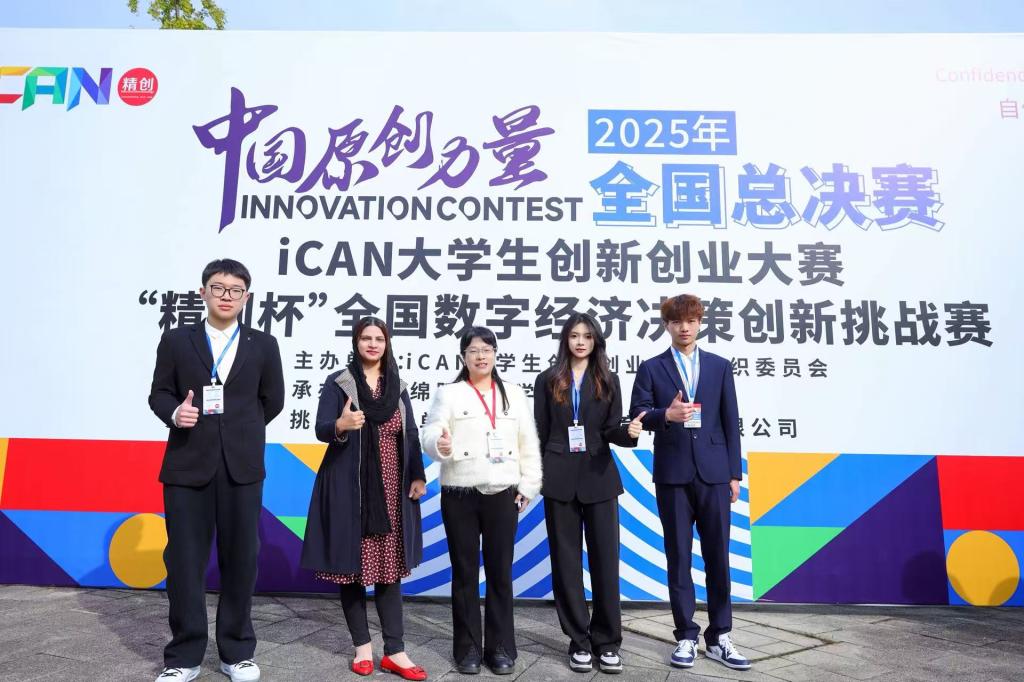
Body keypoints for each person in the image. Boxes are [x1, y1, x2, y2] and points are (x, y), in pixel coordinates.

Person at [148, 259, 285, 682]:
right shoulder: (177, 340)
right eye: (218, 287)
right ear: (203, 292)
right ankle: (183, 657)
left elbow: (273, 400)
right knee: (184, 561)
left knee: (241, 559)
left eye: (235, 290)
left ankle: (237, 652)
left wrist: (238, 430)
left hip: (242, 467)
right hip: (187, 464)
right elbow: (159, 393)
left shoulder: (264, 344)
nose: (227, 296)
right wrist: (176, 414)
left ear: (247, 297)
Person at [300, 317, 427, 681]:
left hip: (392, 489)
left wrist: (418, 475)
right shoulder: (340, 382)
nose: (372, 344)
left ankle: (395, 651)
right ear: (356, 342)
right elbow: (322, 428)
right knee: (352, 570)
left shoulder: (397, 386)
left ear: (387, 344)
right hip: (348, 487)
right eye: (366, 338)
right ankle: (362, 648)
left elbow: (410, 433)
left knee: (390, 570)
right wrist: (340, 426)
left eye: (379, 339)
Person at [629, 294, 750, 671]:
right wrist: (665, 414)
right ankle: (685, 635)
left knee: (718, 557)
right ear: (666, 325)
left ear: (700, 323)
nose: (685, 327)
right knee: (678, 557)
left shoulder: (719, 366)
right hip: (673, 475)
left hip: (714, 474)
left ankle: (720, 636)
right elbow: (638, 414)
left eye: (691, 321)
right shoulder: (651, 368)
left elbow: (730, 420)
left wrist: (734, 473)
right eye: (677, 321)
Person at [421, 327, 542, 676]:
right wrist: (438, 445)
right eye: (473, 350)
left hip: (502, 493)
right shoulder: (449, 393)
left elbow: (528, 443)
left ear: (495, 354)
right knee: (464, 573)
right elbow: (431, 431)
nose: (480, 356)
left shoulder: (514, 394)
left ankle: (501, 648)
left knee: (501, 573)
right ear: (463, 357)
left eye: (487, 349)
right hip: (459, 493)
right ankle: (468, 649)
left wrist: (528, 485)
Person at [533, 313, 642, 674]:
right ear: (565, 340)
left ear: (596, 342)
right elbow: (541, 432)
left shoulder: (608, 379)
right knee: (565, 565)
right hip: (559, 478)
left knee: (605, 563)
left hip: (599, 477)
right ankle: (579, 640)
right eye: (574, 336)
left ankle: (607, 642)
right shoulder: (547, 379)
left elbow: (612, 428)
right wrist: (533, 478)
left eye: (587, 336)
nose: (580, 342)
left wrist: (629, 433)